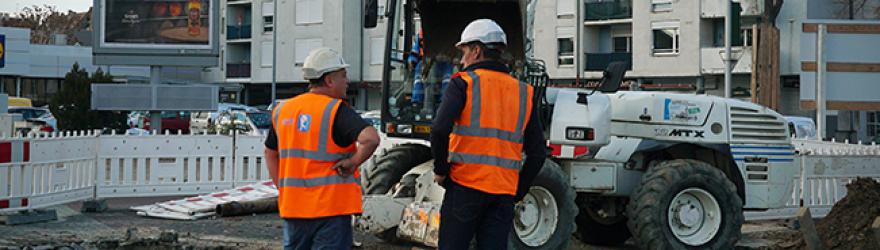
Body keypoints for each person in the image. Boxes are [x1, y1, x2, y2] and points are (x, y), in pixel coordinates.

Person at [430, 19, 547, 250]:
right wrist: (518, 189)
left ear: (476, 50)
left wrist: (441, 170)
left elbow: (439, 129)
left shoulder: (463, 83)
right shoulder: (524, 92)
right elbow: (538, 153)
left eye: (464, 52)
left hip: (465, 186)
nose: (461, 60)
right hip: (502, 194)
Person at [264, 47, 380, 250]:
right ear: (329, 80)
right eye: (343, 76)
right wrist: (352, 162)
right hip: (331, 210)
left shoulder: (282, 110)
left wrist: (283, 189)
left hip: (294, 209)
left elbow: (270, 153)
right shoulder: (336, 109)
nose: (347, 81)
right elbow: (370, 139)